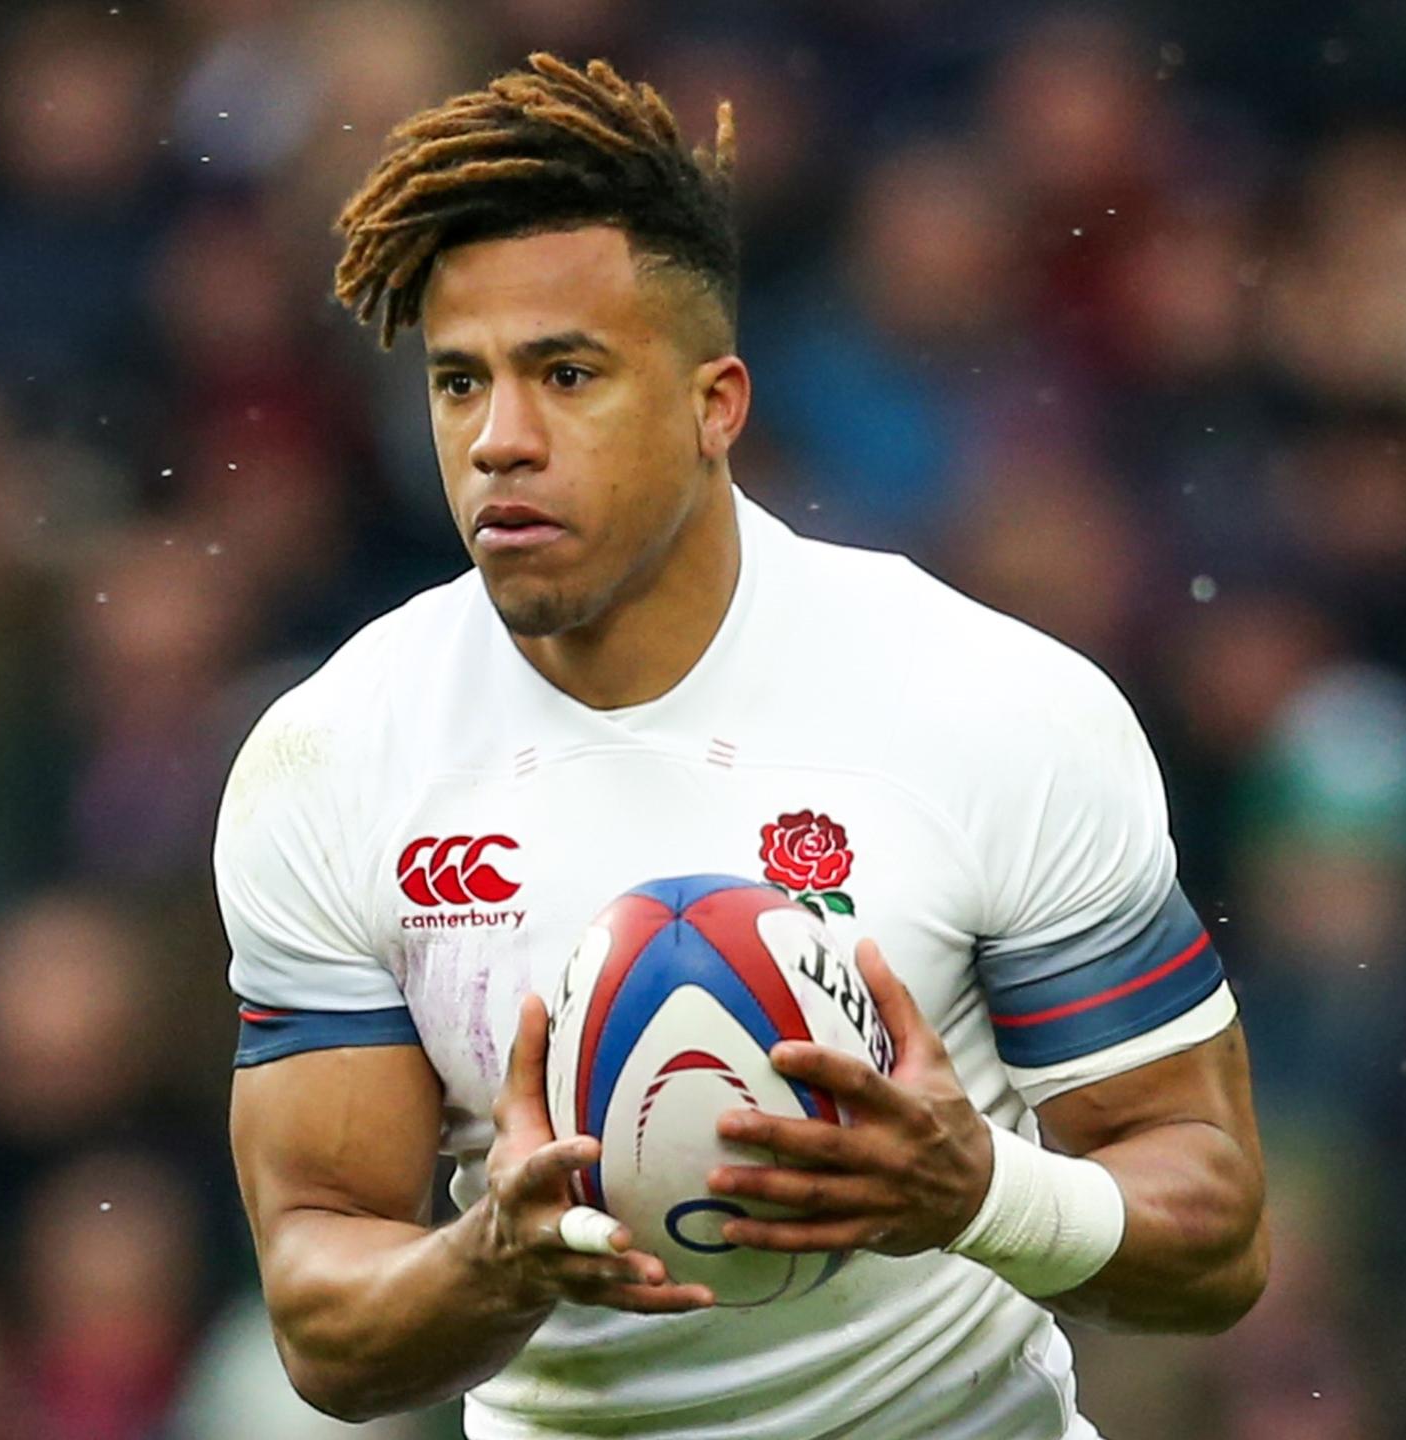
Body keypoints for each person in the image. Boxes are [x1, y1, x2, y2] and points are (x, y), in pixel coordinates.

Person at [220, 53, 1269, 1440]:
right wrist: (493, 1261)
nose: (499, 441)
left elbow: (1217, 1238)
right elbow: (323, 1319)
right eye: (459, 383)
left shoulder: (991, 707)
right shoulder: (336, 759)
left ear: (716, 404)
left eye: (567, 374)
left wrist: (980, 1196)